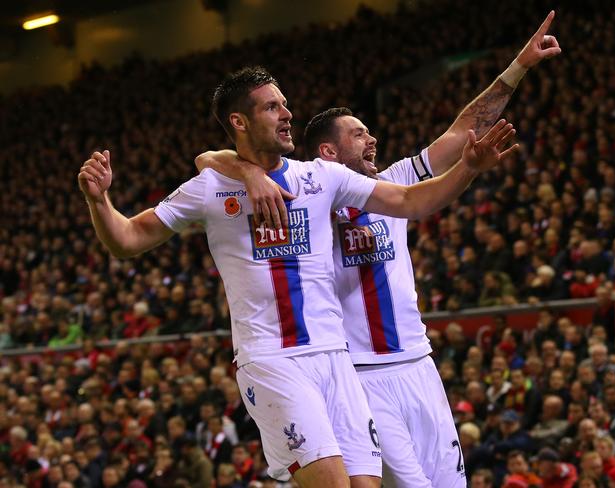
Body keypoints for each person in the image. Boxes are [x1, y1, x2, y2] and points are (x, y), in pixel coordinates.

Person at [78, 67, 516, 488]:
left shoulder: (321, 177)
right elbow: (129, 238)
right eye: (272, 107)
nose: (288, 113)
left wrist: (467, 169)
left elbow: (408, 200)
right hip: (272, 360)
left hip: (336, 358)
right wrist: (100, 203)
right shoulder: (209, 188)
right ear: (240, 121)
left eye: (285, 104)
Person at [195, 12, 560, 488]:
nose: (373, 139)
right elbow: (211, 158)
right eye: (360, 134)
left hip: (419, 362)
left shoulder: (398, 180)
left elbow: (463, 129)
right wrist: (249, 172)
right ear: (328, 152)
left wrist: (518, 67)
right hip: (361, 372)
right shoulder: (309, 189)